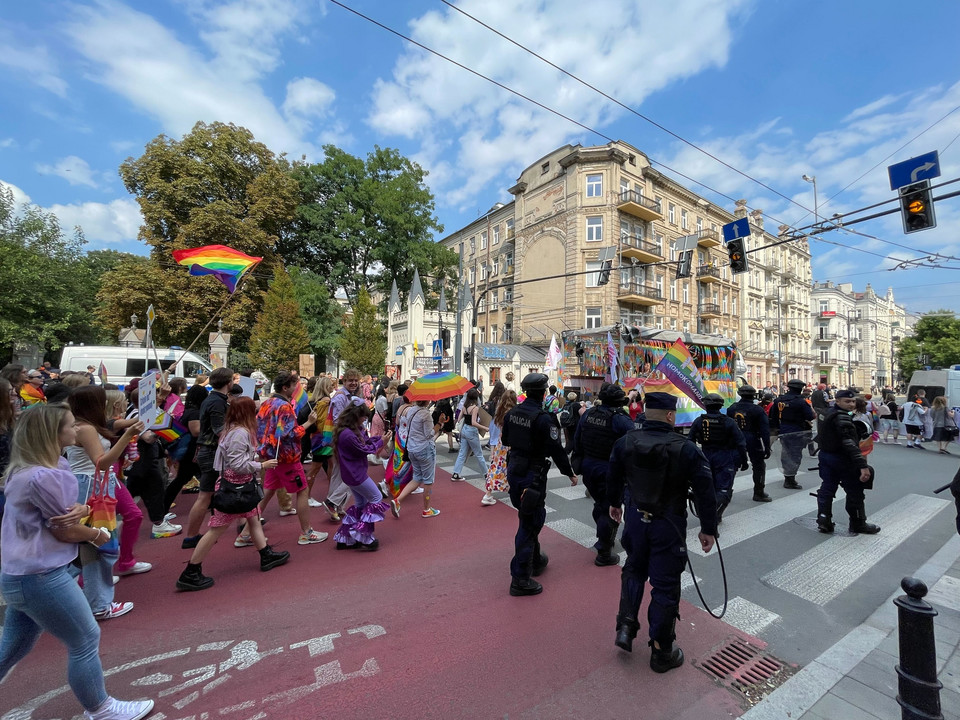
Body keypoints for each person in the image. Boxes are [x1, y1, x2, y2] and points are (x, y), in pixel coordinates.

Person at [0, 404, 155, 720]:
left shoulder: (27, 470)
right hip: (41, 575)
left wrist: (82, 512)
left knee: (13, 648)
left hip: (20, 574)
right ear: (51, 434)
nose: (76, 430)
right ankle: (101, 709)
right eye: (70, 426)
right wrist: (97, 535)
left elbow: (63, 515)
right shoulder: (44, 475)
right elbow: (66, 529)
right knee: (85, 640)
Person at [607, 392, 717, 672]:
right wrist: (708, 529)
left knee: (633, 568)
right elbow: (706, 492)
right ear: (670, 416)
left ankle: (626, 627)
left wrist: (613, 504)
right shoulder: (687, 448)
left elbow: (613, 475)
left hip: (634, 518)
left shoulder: (626, 441)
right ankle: (661, 649)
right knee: (665, 585)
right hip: (667, 525)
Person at [176, 397, 288, 591]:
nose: (257, 413)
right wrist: (261, 465)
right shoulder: (240, 433)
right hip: (235, 487)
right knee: (216, 529)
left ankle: (265, 554)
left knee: (253, 519)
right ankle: (191, 570)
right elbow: (237, 464)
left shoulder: (233, 429)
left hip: (240, 486)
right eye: (254, 410)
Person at [66, 387, 144, 619]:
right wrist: (128, 437)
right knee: (98, 545)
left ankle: (89, 596)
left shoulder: (80, 425)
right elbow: (101, 462)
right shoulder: (86, 428)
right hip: (93, 487)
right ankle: (99, 603)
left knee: (88, 545)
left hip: (90, 485)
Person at [501, 373, 578, 597]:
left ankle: (535, 559)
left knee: (526, 516)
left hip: (514, 469)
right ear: (543, 392)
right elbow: (556, 450)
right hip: (532, 474)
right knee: (530, 522)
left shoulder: (512, 413)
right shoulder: (543, 418)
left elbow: (506, 440)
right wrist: (569, 473)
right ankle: (520, 578)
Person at [250, 371, 327, 546]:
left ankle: (247, 533)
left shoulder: (267, 403)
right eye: (294, 386)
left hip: (272, 455)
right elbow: (289, 434)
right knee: (302, 491)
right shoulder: (284, 406)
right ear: (285, 387)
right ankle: (307, 532)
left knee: (268, 492)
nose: (296, 389)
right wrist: (308, 423)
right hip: (287, 457)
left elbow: (262, 429)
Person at [573, 383, 635, 565]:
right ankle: (604, 552)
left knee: (601, 504)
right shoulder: (620, 419)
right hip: (610, 469)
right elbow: (634, 443)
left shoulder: (589, 414)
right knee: (609, 508)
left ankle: (603, 537)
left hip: (589, 467)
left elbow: (578, 440)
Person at [815, 389, 880, 535]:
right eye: (847, 401)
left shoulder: (827, 413)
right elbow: (849, 444)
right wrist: (863, 466)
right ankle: (858, 523)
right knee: (855, 491)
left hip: (826, 456)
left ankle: (823, 521)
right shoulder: (842, 418)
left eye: (853, 401)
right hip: (841, 459)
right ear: (837, 401)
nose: (851, 404)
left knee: (827, 488)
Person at [182, 367, 234, 548]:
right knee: (206, 495)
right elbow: (219, 430)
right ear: (229, 383)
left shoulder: (212, 399)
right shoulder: (217, 402)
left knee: (212, 493)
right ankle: (191, 535)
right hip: (212, 452)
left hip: (209, 451)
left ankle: (194, 535)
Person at [333, 403, 391, 549]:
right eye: (363, 416)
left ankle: (346, 536)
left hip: (351, 473)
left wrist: (379, 440)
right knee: (376, 497)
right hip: (355, 474)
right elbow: (364, 449)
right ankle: (363, 536)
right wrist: (381, 443)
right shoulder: (348, 434)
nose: (365, 419)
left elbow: (364, 443)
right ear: (356, 417)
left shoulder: (349, 431)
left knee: (360, 503)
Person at [689, 393, 747, 521]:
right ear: (721, 406)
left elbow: (690, 441)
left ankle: (708, 512)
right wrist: (744, 461)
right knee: (723, 489)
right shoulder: (729, 422)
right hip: (724, 457)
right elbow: (741, 443)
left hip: (705, 457)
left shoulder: (699, 421)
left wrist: (693, 460)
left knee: (705, 487)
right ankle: (715, 513)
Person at [323, 369, 368, 521]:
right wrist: (354, 430)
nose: (354, 383)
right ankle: (333, 502)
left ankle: (335, 505)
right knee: (354, 474)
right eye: (350, 381)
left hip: (341, 439)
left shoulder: (352, 396)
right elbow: (338, 421)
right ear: (344, 381)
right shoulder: (341, 397)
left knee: (338, 474)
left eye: (356, 380)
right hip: (344, 440)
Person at [391, 399, 444, 518]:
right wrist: (439, 424)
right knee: (428, 480)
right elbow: (429, 434)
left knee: (417, 478)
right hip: (424, 449)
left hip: (412, 448)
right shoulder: (425, 414)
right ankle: (427, 509)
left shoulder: (411, 410)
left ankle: (398, 500)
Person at [727, 385, 773, 502]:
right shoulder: (757, 410)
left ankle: (725, 491)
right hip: (752, 438)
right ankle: (759, 492)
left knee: (732, 467)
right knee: (758, 466)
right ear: (754, 396)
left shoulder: (732, 408)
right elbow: (764, 430)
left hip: (735, 439)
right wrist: (767, 447)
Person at [768, 378, 814, 490]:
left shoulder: (779, 400)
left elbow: (772, 416)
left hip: (783, 429)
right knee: (795, 454)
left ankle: (787, 476)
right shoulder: (801, 402)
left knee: (786, 452)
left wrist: (776, 429)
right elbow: (810, 416)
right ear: (800, 389)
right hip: (797, 430)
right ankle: (790, 479)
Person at [482, 390, 516, 505]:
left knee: (496, 467)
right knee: (510, 466)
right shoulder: (512, 412)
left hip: (500, 442)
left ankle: (488, 492)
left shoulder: (499, 411)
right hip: (510, 443)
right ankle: (511, 490)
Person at [450, 388, 489, 481]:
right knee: (479, 454)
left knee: (462, 453)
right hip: (471, 431)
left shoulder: (464, 406)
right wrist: (484, 428)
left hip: (464, 430)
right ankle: (486, 474)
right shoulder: (475, 408)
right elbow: (474, 422)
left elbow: (459, 419)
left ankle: (456, 473)